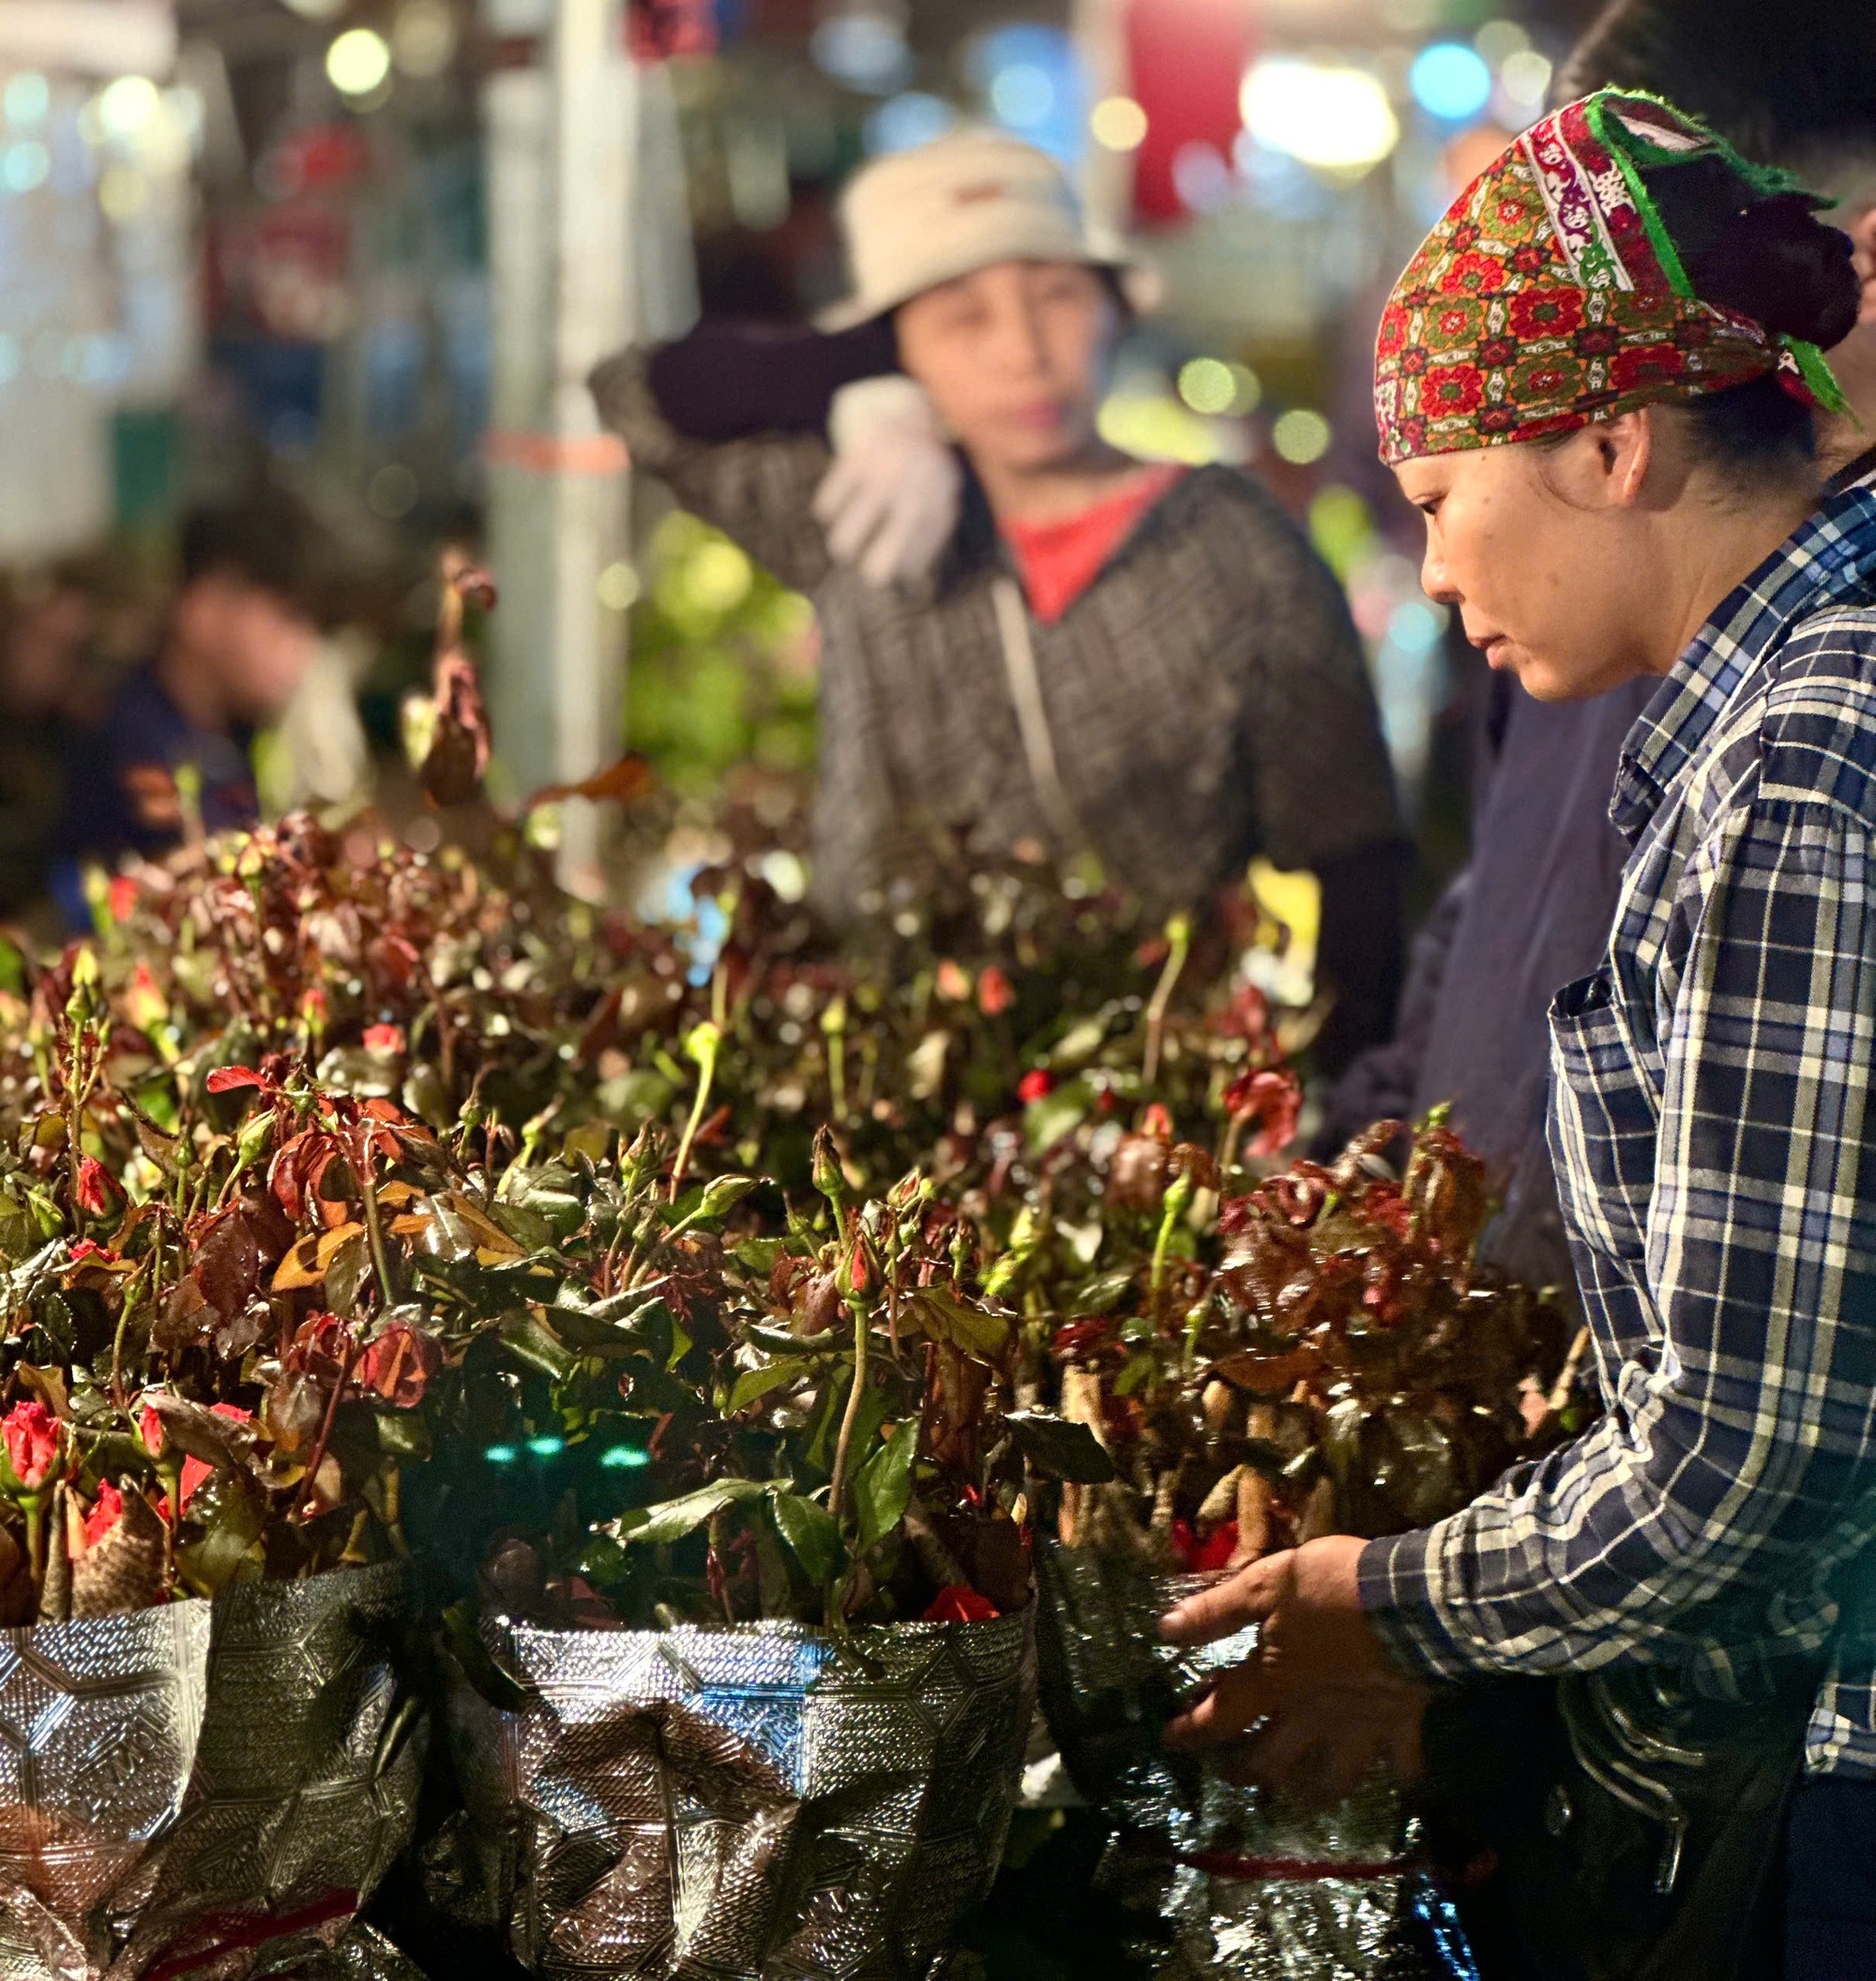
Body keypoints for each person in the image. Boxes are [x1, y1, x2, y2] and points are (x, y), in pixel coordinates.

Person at [1158, 91, 1876, 1981]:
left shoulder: (1803, 756)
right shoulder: (1758, 701)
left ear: (1611, 446)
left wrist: (1381, 1604)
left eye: (1442, 501)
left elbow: (1743, 1456)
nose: (1438, 574)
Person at [591, 129, 1408, 1072]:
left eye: (1056, 297)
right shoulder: (863, 511)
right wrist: (853, 379)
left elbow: (1350, 853)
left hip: (1147, 1085)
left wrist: (1346, 1107)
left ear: (1111, 310)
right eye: (958, 316)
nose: (1021, 351)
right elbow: (634, 394)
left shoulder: (1230, 548)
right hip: (878, 1073)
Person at [1325, 0, 1876, 1286]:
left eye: (1691, 232)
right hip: (1509, 1361)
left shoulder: (1815, 685)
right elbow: (1491, 907)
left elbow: (1747, 1431)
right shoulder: (1586, 557)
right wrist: (1373, 1167)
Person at [52, 490, 330, 914]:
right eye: (282, 621)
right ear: (203, 611)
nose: (301, 649)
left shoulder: (238, 732)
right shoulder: (131, 743)